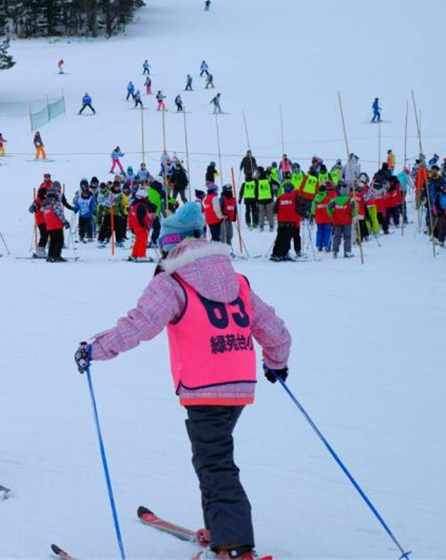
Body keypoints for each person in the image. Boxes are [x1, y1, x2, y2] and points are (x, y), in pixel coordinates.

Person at [75, 201, 291, 560]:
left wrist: (95, 349)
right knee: (211, 456)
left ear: (170, 245)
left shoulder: (173, 281)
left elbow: (140, 325)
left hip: (205, 388)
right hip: (240, 385)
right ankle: (223, 530)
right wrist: (277, 362)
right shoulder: (236, 279)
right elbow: (274, 328)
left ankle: (235, 546)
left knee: (215, 463)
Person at [271, 182, 304, 261]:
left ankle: (275, 253)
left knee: (279, 237)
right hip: (291, 222)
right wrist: (303, 213)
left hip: (281, 221)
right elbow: (299, 209)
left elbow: (275, 209)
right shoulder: (295, 197)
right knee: (286, 239)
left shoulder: (280, 197)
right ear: (292, 189)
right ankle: (282, 254)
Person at [327, 182, 356, 258]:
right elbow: (354, 209)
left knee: (337, 237)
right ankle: (347, 252)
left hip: (337, 222)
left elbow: (329, 207)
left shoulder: (334, 200)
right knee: (347, 237)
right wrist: (353, 214)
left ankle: (335, 252)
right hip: (347, 221)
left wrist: (331, 214)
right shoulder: (350, 200)